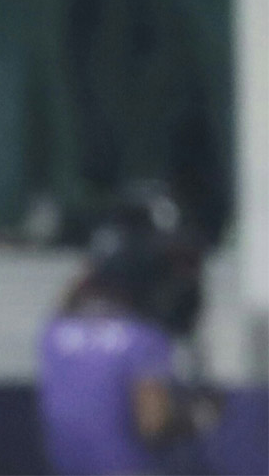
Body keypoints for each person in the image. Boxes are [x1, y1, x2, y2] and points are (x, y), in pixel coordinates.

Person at [37, 182, 220, 474]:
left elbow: (78, 288)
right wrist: (199, 417)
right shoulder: (142, 340)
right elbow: (153, 423)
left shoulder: (55, 332)